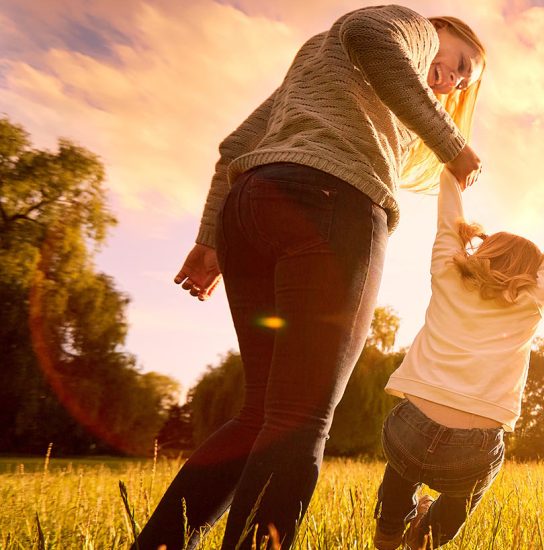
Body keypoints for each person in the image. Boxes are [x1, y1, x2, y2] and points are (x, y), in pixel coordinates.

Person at [139, 6, 487, 549]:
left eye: (466, 80)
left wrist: (210, 241)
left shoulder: (317, 61)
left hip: (250, 209)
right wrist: (452, 144)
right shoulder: (411, 28)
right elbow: (373, 36)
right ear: (442, 31)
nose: (458, 78)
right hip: (331, 205)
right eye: (462, 59)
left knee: (260, 415)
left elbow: (235, 146)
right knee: (298, 421)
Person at [373, 172, 544, 550]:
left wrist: (452, 175)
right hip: (471, 451)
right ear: (532, 274)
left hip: (407, 430)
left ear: (484, 252)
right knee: (465, 493)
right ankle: (427, 537)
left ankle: (389, 530)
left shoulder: (447, 273)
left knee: (402, 465)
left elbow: (448, 219)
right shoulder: (534, 299)